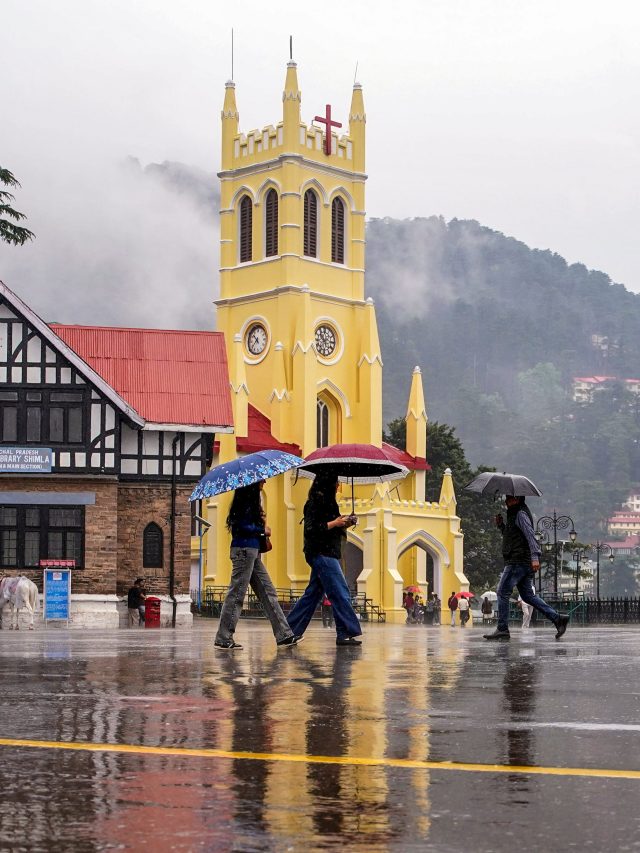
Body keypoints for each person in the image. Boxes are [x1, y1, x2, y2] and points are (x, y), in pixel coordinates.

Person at [214, 481, 299, 650]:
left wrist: (261, 521)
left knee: (268, 592)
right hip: (244, 550)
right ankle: (223, 638)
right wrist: (262, 531)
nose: (265, 481)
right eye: (261, 480)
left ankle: (284, 635)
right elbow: (241, 527)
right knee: (237, 594)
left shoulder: (253, 502)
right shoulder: (243, 502)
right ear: (252, 484)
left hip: (252, 551)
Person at [287, 471, 362, 646]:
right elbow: (312, 529)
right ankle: (345, 632)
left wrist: (346, 522)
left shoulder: (329, 504)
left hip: (327, 553)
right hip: (322, 553)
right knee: (340, 592)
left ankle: (289, 630)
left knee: (313, 594)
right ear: (328, 484)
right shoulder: (314, 503)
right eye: (336, 482)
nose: (338, 486)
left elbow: (330, 526)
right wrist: (336, 523)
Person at [484, 495, 569, 641]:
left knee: (502, 592)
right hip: (520, 560)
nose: (506, 500)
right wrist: (501, 526)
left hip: (518, 561)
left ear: (517, 499)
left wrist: (535, 556)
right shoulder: (514, 514)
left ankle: (502, 629)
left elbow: (530, 535)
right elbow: (512, 537)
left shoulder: (520, 514)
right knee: (528, 596)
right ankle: (558, 619)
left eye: (509, 498)